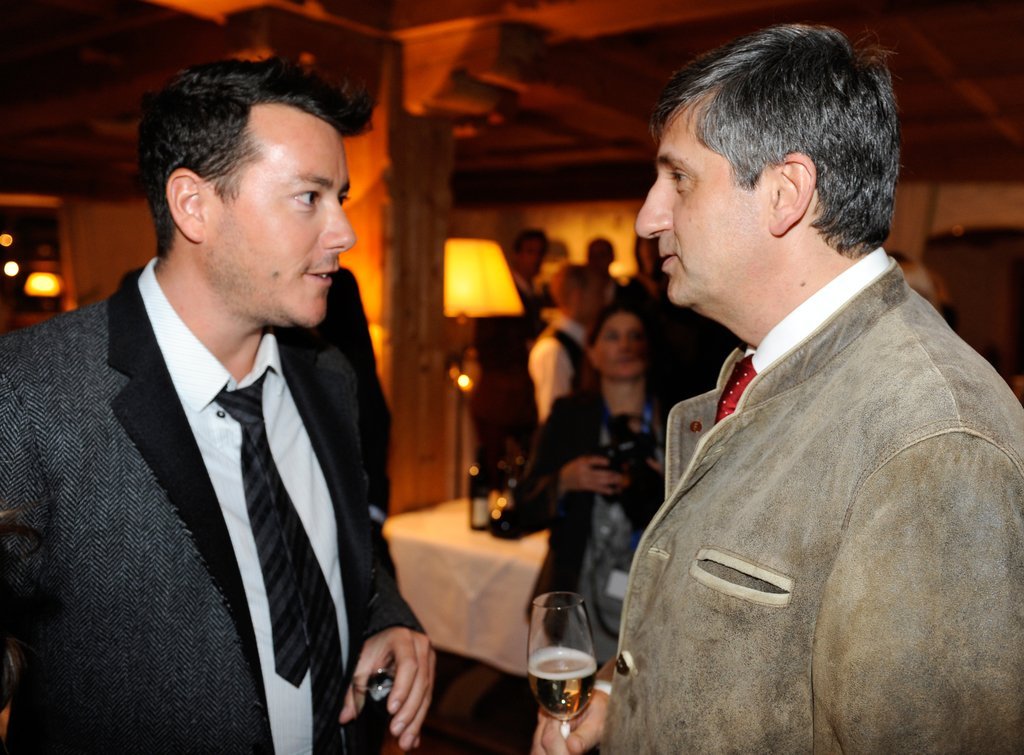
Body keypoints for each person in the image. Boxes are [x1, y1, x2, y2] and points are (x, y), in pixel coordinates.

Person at [533, 24, 1024, 754]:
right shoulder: (771, 368)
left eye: (679, 179)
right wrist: (619, 695)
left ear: (785, 193)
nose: (648, 217)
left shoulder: (936, 442)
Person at [0, 58, 433, 753]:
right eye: (310, 197)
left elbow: (332, 546)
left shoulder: (327, 375)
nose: (345, 232)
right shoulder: (29, 394)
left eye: (341, 197)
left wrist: (387, 615)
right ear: (193, 205)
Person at [516, 303, 664, 663]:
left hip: (659, 597)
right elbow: (522, 508)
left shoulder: (678, 417)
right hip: (577, 598)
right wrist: (565, 481)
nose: (625, 345)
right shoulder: (569, 417)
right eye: (612, 336)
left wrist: (669, 487)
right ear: (593, 353)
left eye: (635, 336)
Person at [470, 228, 548, 488]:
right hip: (500, 396)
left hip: (522, 397)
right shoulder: (500, 291)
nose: (535, 259)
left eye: (539, 253)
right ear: (516, 255)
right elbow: (487, 344)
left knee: (522, 466)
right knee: (496, 468)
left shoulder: (536, 294)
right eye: (529, 252)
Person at [528, 263, 606, 423]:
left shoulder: (582, 342)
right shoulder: (554, 349)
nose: (603, 301)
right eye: (598, 293)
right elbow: (552, 416)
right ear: (577, 296)